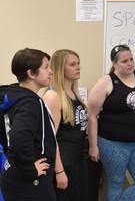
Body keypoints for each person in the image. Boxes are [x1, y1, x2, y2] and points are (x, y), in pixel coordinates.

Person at [88, 44, 135, 201]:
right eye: (124, 61)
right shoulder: (106, 82)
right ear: (114, 64)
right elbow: (92, 115)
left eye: (131, 59)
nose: (130, 63)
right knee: (116, 182)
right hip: (112, 143)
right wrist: (93, 146)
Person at [0, 48, 56, 201]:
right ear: (31, 73)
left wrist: (11, 155)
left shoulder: (14, 95)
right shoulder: (30, 102)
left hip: (13, 173)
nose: (51, 71)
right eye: (46, 67)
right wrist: (30, 170)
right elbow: (19, 137)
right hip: (30, 182)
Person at [43, 49, 89, 201]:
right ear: (60, 68)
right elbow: (50, 138)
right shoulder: (53, 96)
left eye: (78, 63)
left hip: (79, 159)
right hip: (65, 163)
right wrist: (59, 171)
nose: (78, 67)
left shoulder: (73, 93)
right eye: (73, 64)